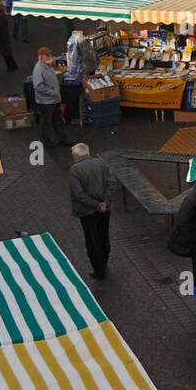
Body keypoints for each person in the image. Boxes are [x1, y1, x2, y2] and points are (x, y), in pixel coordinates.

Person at [68, 143, 118, 279]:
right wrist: (105, 203)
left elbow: (78, 194)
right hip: (104, 209)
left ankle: (98, 269)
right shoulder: (101, 163)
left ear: (77, 155)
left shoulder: (75, 170)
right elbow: (111, 182)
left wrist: (95, 205)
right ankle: (104, 262)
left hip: (87, 211)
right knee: (103, 235)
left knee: (92, 240)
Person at [33, 47, 69, 147]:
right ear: (41, 57)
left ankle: (62, 138)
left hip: (53, 100)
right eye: (47, 55)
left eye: (50, 55)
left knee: (58, 120)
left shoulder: (47, 65)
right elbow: (38, 86)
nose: (50, 57)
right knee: (46, 122)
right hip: (46, 102)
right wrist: (52, 92)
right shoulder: (39, 69)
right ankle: (45, 141)